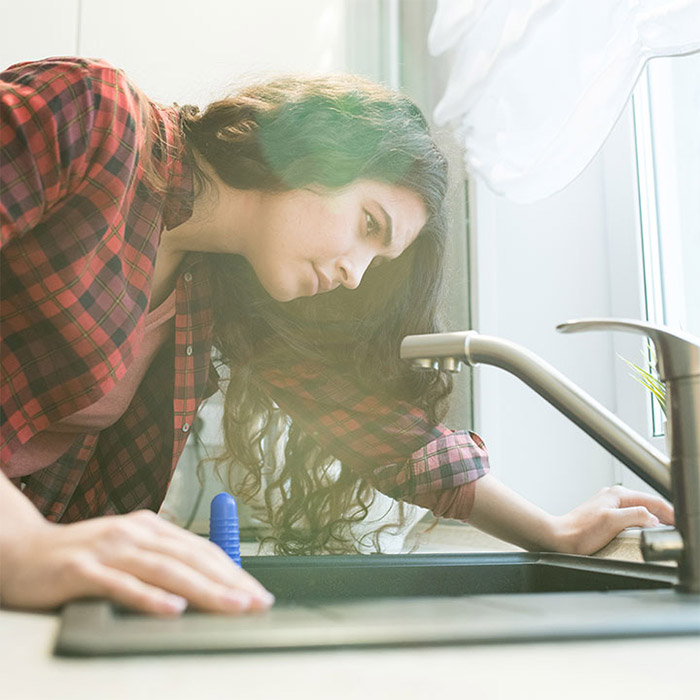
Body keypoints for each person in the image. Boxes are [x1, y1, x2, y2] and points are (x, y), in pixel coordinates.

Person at [0, 56, 673, 617]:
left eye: (376, 261)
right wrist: (28, 544)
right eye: (370, 224)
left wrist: (551, 530)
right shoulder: (94, 117)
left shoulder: (214, 290)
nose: (355, 275)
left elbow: (385, 432)